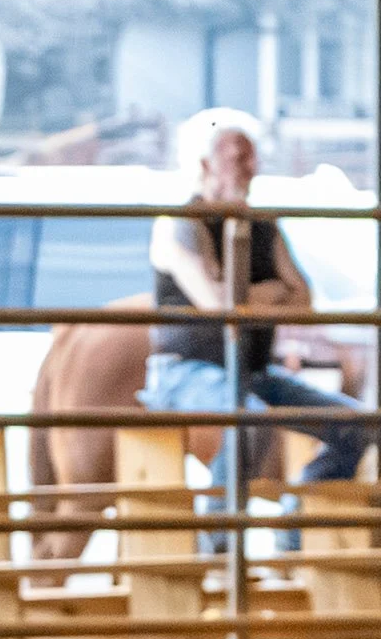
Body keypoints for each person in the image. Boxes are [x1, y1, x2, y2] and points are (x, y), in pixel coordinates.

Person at [142, 113, 375, 547]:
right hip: (185, 369)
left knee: (355, 426)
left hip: (252, 369)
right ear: (205, 164)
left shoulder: (264, 225)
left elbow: (302, 299)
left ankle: (291, 535)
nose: (251, 168)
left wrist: (243, 295)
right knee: (251, 417)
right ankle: (218, 547)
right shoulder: (180, 222)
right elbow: (219, 306)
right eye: (238, 157)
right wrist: (271, 291)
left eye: (251, 157)